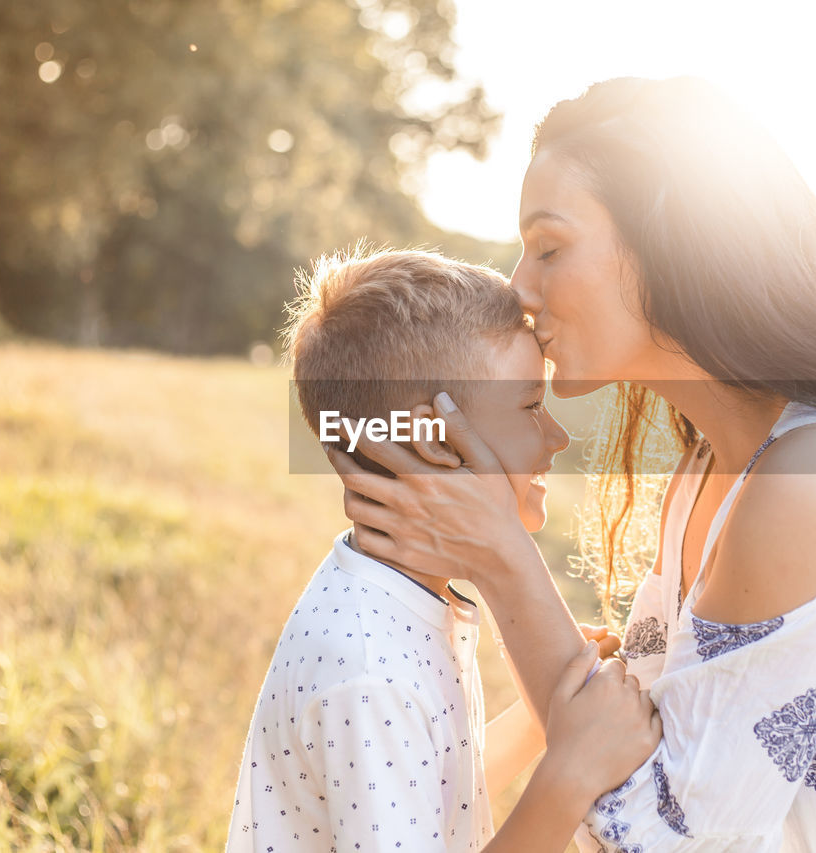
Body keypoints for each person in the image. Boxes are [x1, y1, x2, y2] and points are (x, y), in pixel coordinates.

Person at [328, 78, 816, 850]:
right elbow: (629, 751)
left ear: (669, 241)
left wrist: (505, 562)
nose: (520, 287)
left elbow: (660, 838)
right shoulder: (713, 470)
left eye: (550, 246)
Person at [226, 248, 660, 853]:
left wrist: (542, 725)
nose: (557, 437)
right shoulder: (368, 668)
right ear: (434, 437)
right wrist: (571, 774)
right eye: (532, 405)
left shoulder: (393, 601)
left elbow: (427, 801)